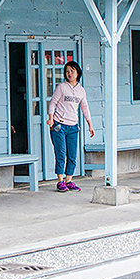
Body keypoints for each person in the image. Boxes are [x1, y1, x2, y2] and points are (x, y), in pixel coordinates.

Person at [47, 60, 95, 192]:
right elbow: (52, 103)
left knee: (72, 154)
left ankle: (69, 180)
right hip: (59, 125)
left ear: (78, 72)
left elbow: (85, 107)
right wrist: (51, 118)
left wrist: (90, 125)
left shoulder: (81, 90)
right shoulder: (62, 87)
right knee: (61, 153)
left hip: (73, 126)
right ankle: (60, 181)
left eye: (72, 71)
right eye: (67, 71)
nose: (69, 73)